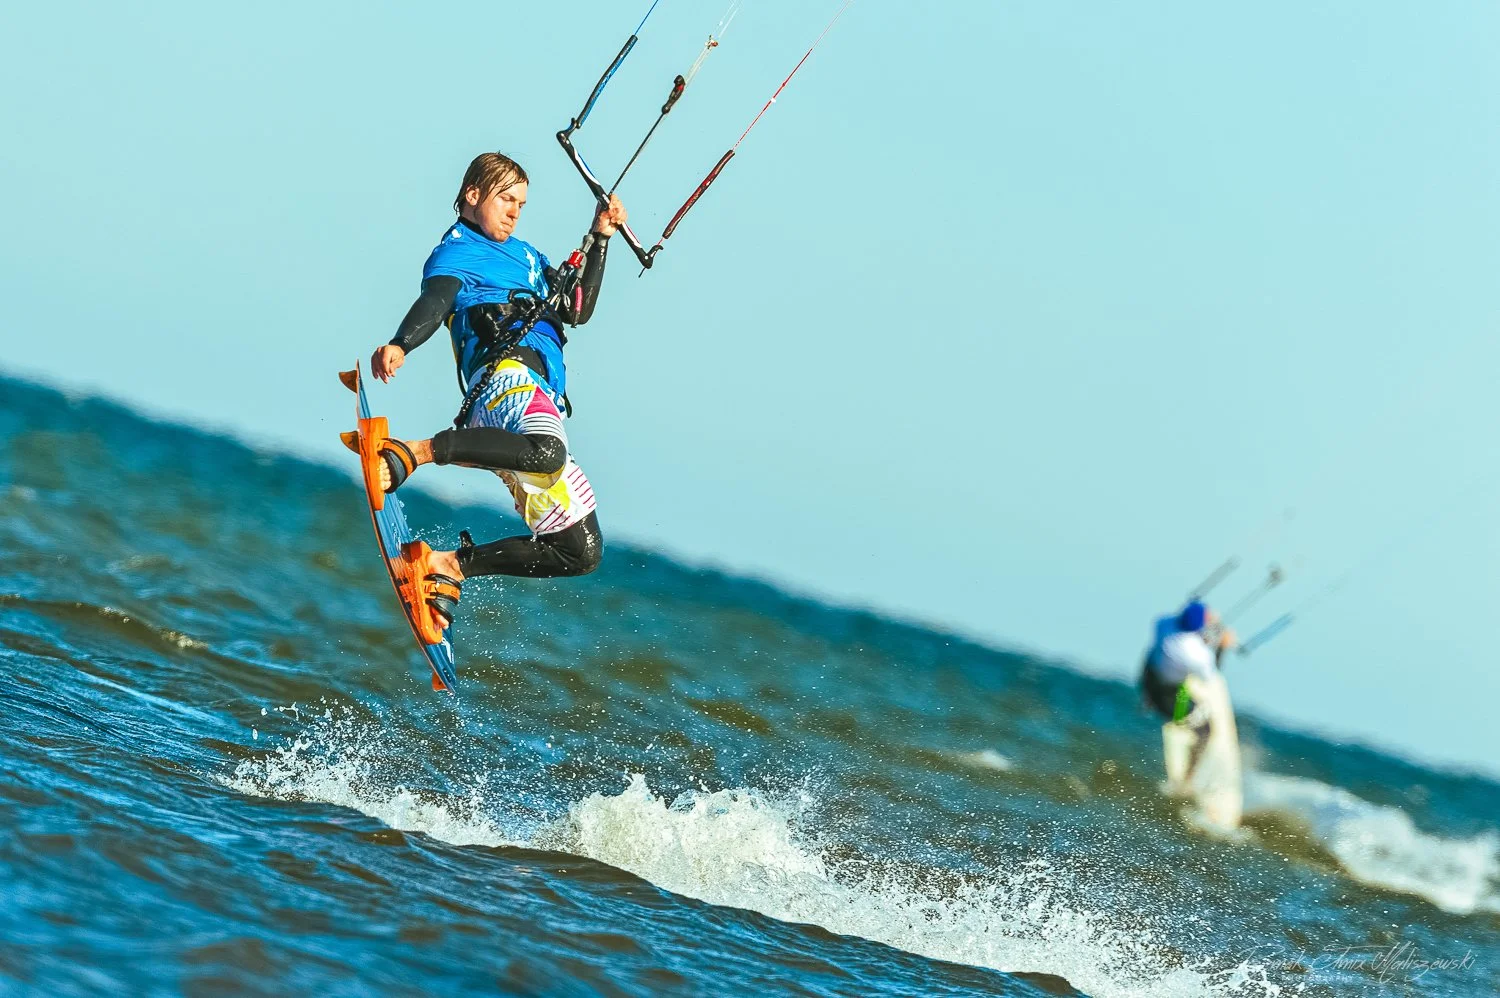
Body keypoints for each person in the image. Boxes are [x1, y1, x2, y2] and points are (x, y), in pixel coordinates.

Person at [364, 151, 628, 631]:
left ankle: (447, 566)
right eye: (505, 199)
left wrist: (602, 239)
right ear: (472, 196)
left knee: (580, 550)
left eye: (521, 204)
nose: (513, 211)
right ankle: (413, 452)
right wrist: (401, 344)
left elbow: (575, 307)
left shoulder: (528, 256)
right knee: (548, 452)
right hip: (503, 382)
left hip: (534, 397)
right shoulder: (459, 251)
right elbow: (435, 299)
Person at [1140, 600, 1238, 734]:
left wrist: (1207, 621)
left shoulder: (1163, 623)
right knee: (1206, 730)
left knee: (1154, 654)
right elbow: (1209, 676)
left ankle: (1148, 701)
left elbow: (1186, 628)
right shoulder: (1197, 655)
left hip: (1148, 681)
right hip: (1168, 696)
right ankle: (1184, 727)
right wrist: (1222, 647)